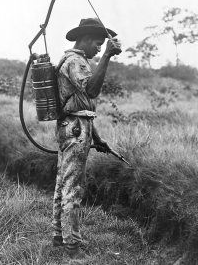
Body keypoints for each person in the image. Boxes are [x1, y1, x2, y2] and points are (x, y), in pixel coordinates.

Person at [52, 18, 122, 261]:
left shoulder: (75, 60)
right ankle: (73, 249)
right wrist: (108, 58)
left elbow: (83, 106)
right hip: (74, 130)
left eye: (103, 47)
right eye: (98, 44)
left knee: (63, 183)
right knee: (73, 187)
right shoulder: (76, 62)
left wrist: (98, 138)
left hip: (74, 127)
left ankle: (59, 238)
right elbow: (91, 91)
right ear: (84, 39)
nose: (100, 49)